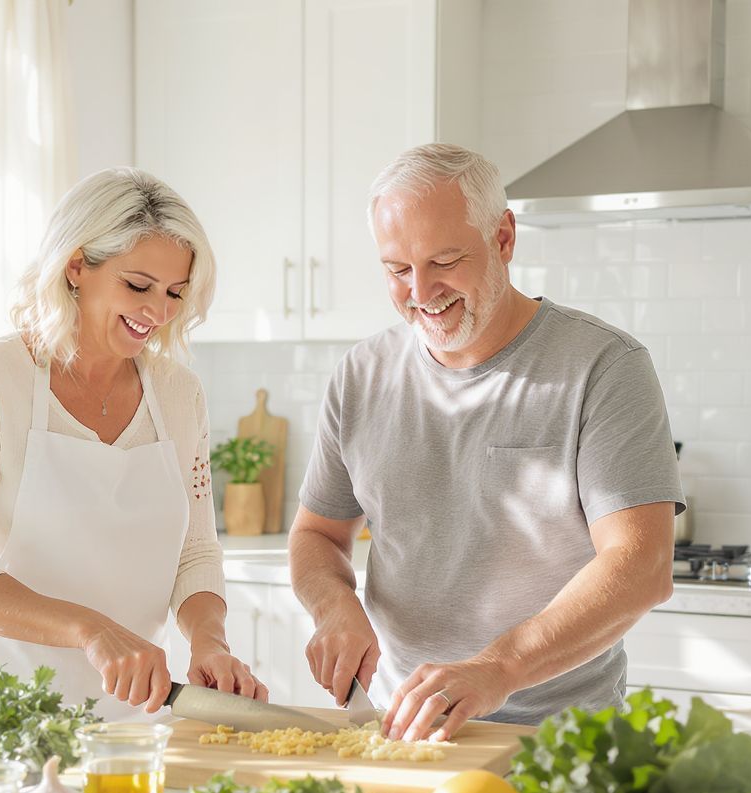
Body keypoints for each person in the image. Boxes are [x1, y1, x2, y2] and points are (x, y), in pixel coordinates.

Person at [289, 143, 683, 743]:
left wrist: (499, 668)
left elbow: (642, 564)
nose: (420, 291)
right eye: (397, 269)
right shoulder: (361, 374)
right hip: (405, 732)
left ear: (503, 238)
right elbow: (317, 535)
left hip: (558, 742)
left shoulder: (603, 365)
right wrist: (334, 605)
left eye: (445, 261)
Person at [0, 167, 267, 717]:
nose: (158, 312)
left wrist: (209, 643)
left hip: (129, 719)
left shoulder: (178, 394)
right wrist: (90, 628)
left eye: (175, 292)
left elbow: (195, 552)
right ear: (75, 266)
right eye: (138, 285)